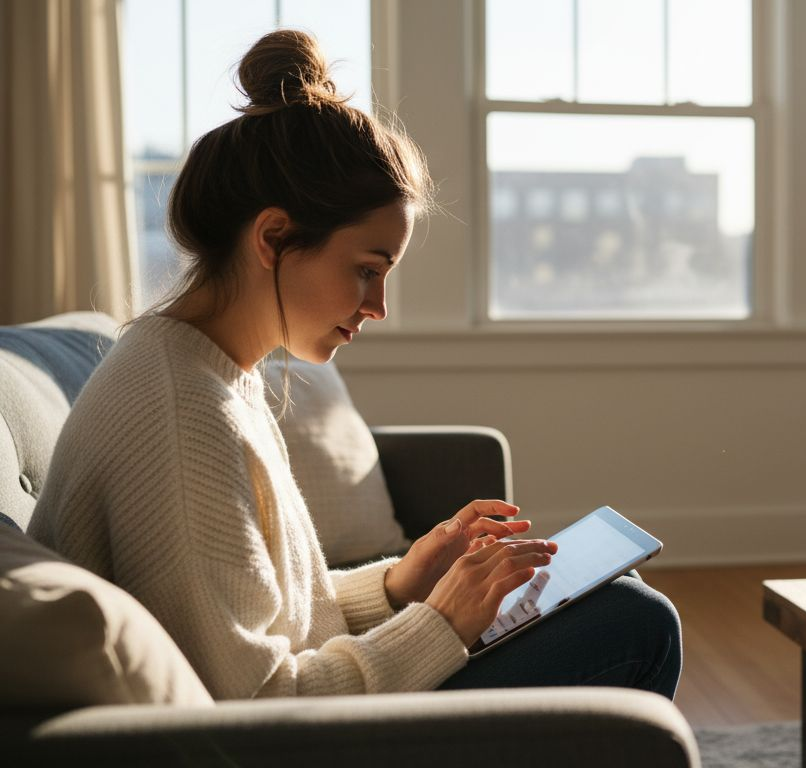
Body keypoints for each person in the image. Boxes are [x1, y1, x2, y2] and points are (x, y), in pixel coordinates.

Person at [28, 29, 680, 701]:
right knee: (635, 624)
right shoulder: (181, 415)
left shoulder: (211, 373)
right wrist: (443, 621)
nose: (379, 306)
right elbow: (257, 704)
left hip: (299, 720)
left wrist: (401, 584)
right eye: (367, 270)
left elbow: (269, 616)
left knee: (610, 592)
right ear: (274, 239)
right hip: (283, 747)